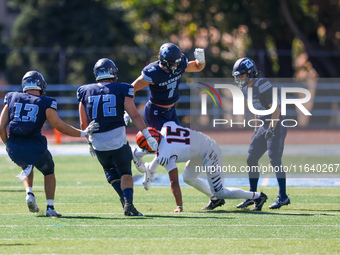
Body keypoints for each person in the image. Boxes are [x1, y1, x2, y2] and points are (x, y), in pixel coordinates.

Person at [0, 71, 99, 217]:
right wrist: (83, 133)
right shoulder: (45, 102)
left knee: (27, 165)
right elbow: (59, 126)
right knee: (48, 171)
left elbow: (1, 126)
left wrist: (8, 145)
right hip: (35, 147)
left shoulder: (12, 97)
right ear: (40, 85)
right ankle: (50, 207)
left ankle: (29, 193)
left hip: (14, 147)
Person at [77, 58, 158, 216]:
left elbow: (83, 124)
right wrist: (148, 135)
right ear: (112, 72)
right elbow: (134, 115)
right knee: (126, 173)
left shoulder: (84, 90)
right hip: (117, 140)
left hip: (98, 142)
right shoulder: (122, 88)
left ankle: (124, 200)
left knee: (110, 172)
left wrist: (89, 143)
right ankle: (128, 203)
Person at [135, 121, 268, 213]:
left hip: (209, 151)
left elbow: (174, 182)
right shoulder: (166, 126)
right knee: (188, 177)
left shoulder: (164, 153)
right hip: (202, 146)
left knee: (220, 191)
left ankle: (257, 196)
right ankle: (215, 200)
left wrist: (179, 206)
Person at [130, 42, 206, 179]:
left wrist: (201, 60)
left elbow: (197, 67)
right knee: (161, 144)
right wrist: (127, 109)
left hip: (171, 111)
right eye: (172, 64)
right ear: (163, 62)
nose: (176, 66)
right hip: (155, 112)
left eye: (177, 63)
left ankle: (149, 170)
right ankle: (138, 154)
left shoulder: (179, 63)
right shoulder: (153, 72)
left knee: (170, 144)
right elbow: (132, 88)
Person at [232, 57, 290, 210]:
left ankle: (283, 196)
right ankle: (253, 196)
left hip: (277, 122)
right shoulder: (245, 89)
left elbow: (275, 108)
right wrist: (257, 128)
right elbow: (255, 109)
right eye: (238, 76)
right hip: (264, 124)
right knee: (251, 158)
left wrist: (271, 128)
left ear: (250, 74)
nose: (239, 78)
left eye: (242, 75)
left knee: (274, 158)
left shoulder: (262, 84)